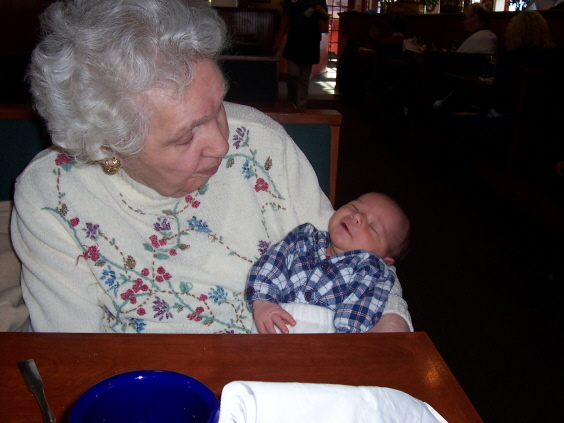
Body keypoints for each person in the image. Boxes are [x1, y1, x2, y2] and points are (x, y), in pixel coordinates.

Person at [9, 0, 412, 334]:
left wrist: (389, 325)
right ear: (109, 145)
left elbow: (357, 260)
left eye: (217, 104)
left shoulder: (259, 140)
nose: (223, 144)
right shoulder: (53, 194)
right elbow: (74, 353)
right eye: (186, 137)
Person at [246, 192, 411, 334]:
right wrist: (262, 301)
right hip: (273, 324)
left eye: (373, 227)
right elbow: (271, 264)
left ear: (384, 260)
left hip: (325, 336)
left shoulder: (371, 270)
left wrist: (345, 341)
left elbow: (361, 310)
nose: (357, 217)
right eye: (354, 207)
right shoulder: (303, 238)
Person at [275, 0, 329, 109]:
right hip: (294, 40)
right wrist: (278, 41)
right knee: (293, 75)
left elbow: (326, 16)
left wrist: (322, 11)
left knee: (304, 78)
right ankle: (292, 101)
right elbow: (285, 19)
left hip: (310, 41)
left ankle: (301, 107)